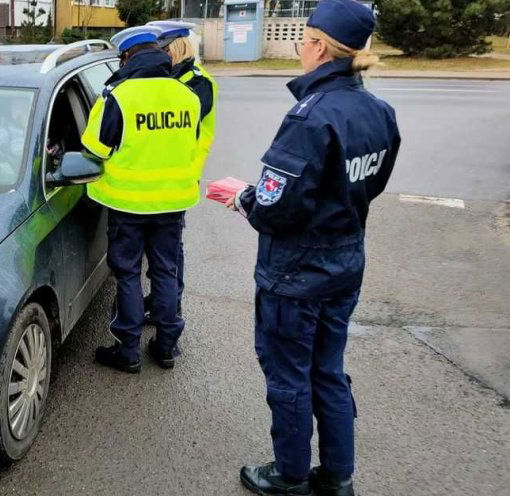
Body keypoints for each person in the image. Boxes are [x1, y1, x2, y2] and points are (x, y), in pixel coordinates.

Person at [229, 1, 401, 494]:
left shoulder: (310, 118)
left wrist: (241, 196)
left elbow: (273, 207)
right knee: (328, 369)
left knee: (289, 377)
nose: (300, 47)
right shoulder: (378, 111)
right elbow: (372, 183)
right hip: (345, 260)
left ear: (320, 47)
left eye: (302, 39)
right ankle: (339, 478)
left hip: (296, 272)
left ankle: (289, 476)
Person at [82, 26, 202, 372]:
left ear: (126, 57)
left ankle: (128, 351)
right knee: (165, 271)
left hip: (128, 205)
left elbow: (95, 148)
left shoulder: (118, 96)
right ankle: (166, 347)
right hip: (173, 203)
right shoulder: (186, 95)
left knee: (129, 275)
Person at [141, 20, 219, 323]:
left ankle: (171, 310)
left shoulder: (196, 82)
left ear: (173, 48)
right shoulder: (169, 77)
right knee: (161, 254)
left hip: (179, 177)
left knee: (169, 256)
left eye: (158, 48)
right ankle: (162, 305)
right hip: (157, 177)